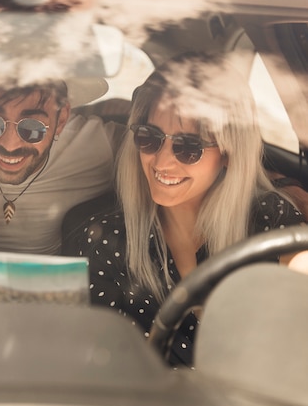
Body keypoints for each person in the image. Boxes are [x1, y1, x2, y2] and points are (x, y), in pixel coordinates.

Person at [74, 52, 305, 367]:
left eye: (188, 147)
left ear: (228, 152)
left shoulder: (268, 217)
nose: (163, 161)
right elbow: (103, 364)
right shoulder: (109, 240)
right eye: (149, 138)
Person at [0, 0, 126, 255]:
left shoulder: (103, 146)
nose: (10, 145)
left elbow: (161, 151)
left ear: (61, 119)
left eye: (31, 128)